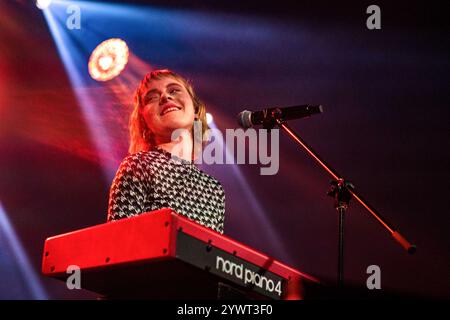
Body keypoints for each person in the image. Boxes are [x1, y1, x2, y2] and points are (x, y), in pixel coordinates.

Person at [107, 69, 225, 233]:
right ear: (144, 122)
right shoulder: (138, 166)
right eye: (152, 97)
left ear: (196, 110)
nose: (165, 97)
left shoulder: (214, 189)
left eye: (174, 90)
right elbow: (119, 240)